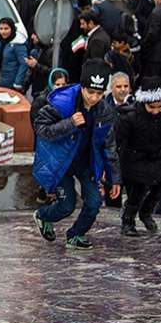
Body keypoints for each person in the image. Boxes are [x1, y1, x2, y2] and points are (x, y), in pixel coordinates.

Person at [32, 59, 122, 250]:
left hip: (86, 162)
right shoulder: (62, 103)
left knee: (94, 202)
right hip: (62, 163)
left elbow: (109, 145)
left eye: (99, 93)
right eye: (90, 92)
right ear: (82, 87)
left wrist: (115, 178)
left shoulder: (104, 110)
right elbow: (41, 129)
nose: (94, 98)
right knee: (66, 205)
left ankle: (75, 234)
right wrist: (69, 123)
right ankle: (43, 215)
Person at [114, 78, 161, 237]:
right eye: (151, 107)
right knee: (136, 193)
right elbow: (120, 142)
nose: (155, 111)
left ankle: (146, 213)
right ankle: (128, 221)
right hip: (136, 160)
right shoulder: (130, 117)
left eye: (159, 107)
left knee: (158, 189)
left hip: (160, 157)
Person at [0, 17, 28, 91]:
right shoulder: (0, 41)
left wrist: (18, 82)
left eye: (6, 28)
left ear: (12, 29)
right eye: (1, 29)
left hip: (10, 81)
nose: (3, 31)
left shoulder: (18, 44)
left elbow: (23, 64)